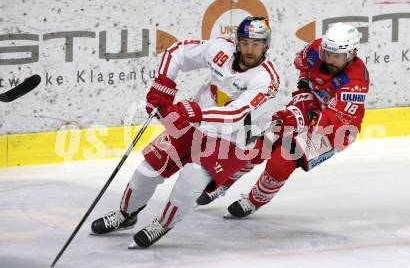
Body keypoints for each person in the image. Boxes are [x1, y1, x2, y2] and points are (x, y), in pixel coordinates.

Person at [90, 16, 280, 248]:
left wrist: (196, 113)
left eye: (257, 44)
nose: (250, 49)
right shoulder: (220, 50)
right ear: (237, 43)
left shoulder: (266, 79)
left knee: (189, 181)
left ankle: (161, 224)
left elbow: (236, 114)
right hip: (194, 124)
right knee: (146, 170)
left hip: (231, 140)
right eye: (246, 42)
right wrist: (163, 83)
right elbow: (176, 52)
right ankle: (125, 215)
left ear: (266, 45)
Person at [196, 22, 370, 218]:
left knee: (283, 159)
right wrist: (304, 86)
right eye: (326, 53)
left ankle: (254, 201)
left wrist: (307, 118)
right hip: (311, 105)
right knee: (261, 141)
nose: (329, 59)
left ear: (352, 54)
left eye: (336, 56)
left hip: (336, 129)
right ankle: (223, 182)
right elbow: (302, 62)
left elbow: (334, 120)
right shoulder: (315, 50)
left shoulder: (355, 84)